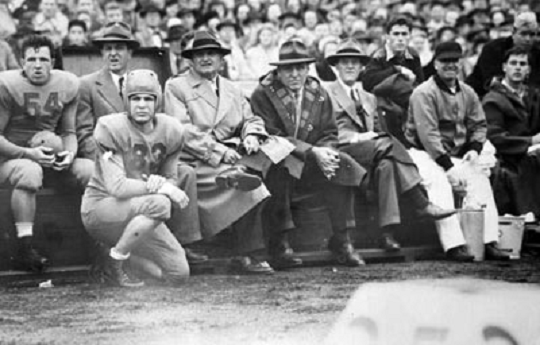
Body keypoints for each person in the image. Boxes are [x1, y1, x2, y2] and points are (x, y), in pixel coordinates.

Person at [164, 30, 284, 274]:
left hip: (228, 158)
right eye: (200, 54)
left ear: (221, 60)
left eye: (212, 54)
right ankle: (247, 253)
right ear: (190, 59)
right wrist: (217, 151)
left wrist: (251, 134)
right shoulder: (176, 86)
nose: (206, 58)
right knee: (247, 182)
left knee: (260, 175)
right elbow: (182, 130)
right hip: (194, 160)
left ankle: (248, 252)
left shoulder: (232, 88)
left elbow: (250, 118)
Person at [325, 39, 456, 253]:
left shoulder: (369, 97)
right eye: (345, 62)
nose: (350, 66)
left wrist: (372, 137)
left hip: (374, 152)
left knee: (387, 163)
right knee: (388, 144)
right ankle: (420, 201)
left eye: (354, 63)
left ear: (361, 69)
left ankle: (387, 233)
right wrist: (357, 137)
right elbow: (327, 129)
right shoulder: (327, 93)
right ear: (336, 67)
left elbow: (378, 128)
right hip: (343, 150)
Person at [250, 39, 367, 268]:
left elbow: (330, 131)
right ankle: (279, 243)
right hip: (281, 157)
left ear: (307, 69)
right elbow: (271, 134)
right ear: (278, 70)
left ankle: (342, 240)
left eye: (300, 68)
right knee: (280, 165)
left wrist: (326, 152)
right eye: (288, 69)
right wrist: (313, 152)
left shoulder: (318, 91)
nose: (295, 74)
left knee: (342, 162)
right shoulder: (263, 93)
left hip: (312, 159)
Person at [81, 69, 191, 287]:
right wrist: (164, 189)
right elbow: (118, 187)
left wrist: (164, 184)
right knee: (161, 203)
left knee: (178, 275)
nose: (141, 105)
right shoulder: (109, 127)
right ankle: (116, 262)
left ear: (157, 101)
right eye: (135, 99)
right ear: (126, 101)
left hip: (143, 211)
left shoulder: (172, 129)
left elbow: (171, 176)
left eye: (148, 99)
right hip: (102, 208)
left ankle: (115, 257)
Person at [405, 41, 510, 262]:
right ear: (435, 64)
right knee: (440, 183)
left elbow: (479, 125)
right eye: (445, 61)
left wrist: (474, 148)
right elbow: (428, 135)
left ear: (460, 63)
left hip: (455, 152)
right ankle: (454, 245)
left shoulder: (467, 91)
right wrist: (448, 166)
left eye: (454, 61)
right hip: (423, 153)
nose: (450, 65)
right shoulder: (423, 92)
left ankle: (488, 240)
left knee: (478, 177)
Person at [0, 35, 86, 271]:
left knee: (88, 170)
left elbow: (68, 131)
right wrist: (29, 154)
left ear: (53, 62)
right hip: (11, 157)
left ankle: (100, 242)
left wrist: (69, 153)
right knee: (29, 171)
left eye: (43, 59)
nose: (37, 65)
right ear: (21, 62)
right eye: (31, 59)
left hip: (48, 153)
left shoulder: (68, 84)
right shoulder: (6, 85)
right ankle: (24, 246)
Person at [76, 22, 139, 185]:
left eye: (119, 48)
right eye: (108, 48)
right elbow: (85, 135)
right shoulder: (87, 85)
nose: (113, 53)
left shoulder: (143, 83)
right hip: (106, 160)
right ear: (102, 53)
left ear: (130, 53)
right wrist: (111, 160)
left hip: (141, 159)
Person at [484, 46, 540, 218]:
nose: (518, 67)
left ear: (528, 69)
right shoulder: (493, 100)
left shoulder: (534, 95)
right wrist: (530, 142)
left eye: (522, 64)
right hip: (509, 157)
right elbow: (495, 138)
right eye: (513, 63)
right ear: (504, 67)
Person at [363, 15, 423, 143]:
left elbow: (420, 82)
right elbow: (367, 83)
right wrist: (396, 70)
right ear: (388, 36)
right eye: (396, 34)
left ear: (409, 36)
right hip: (383, 107)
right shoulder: (378, 56)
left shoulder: (413, 55)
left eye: (404, 34)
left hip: (408, 103)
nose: (400, 39)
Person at [466, 11, 539, 98]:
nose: (528, 39)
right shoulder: (493, 49)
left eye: (532, 35)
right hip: (482, 96)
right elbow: (490, 81)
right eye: (523, 34)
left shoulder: (537, 53)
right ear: (514, 32)